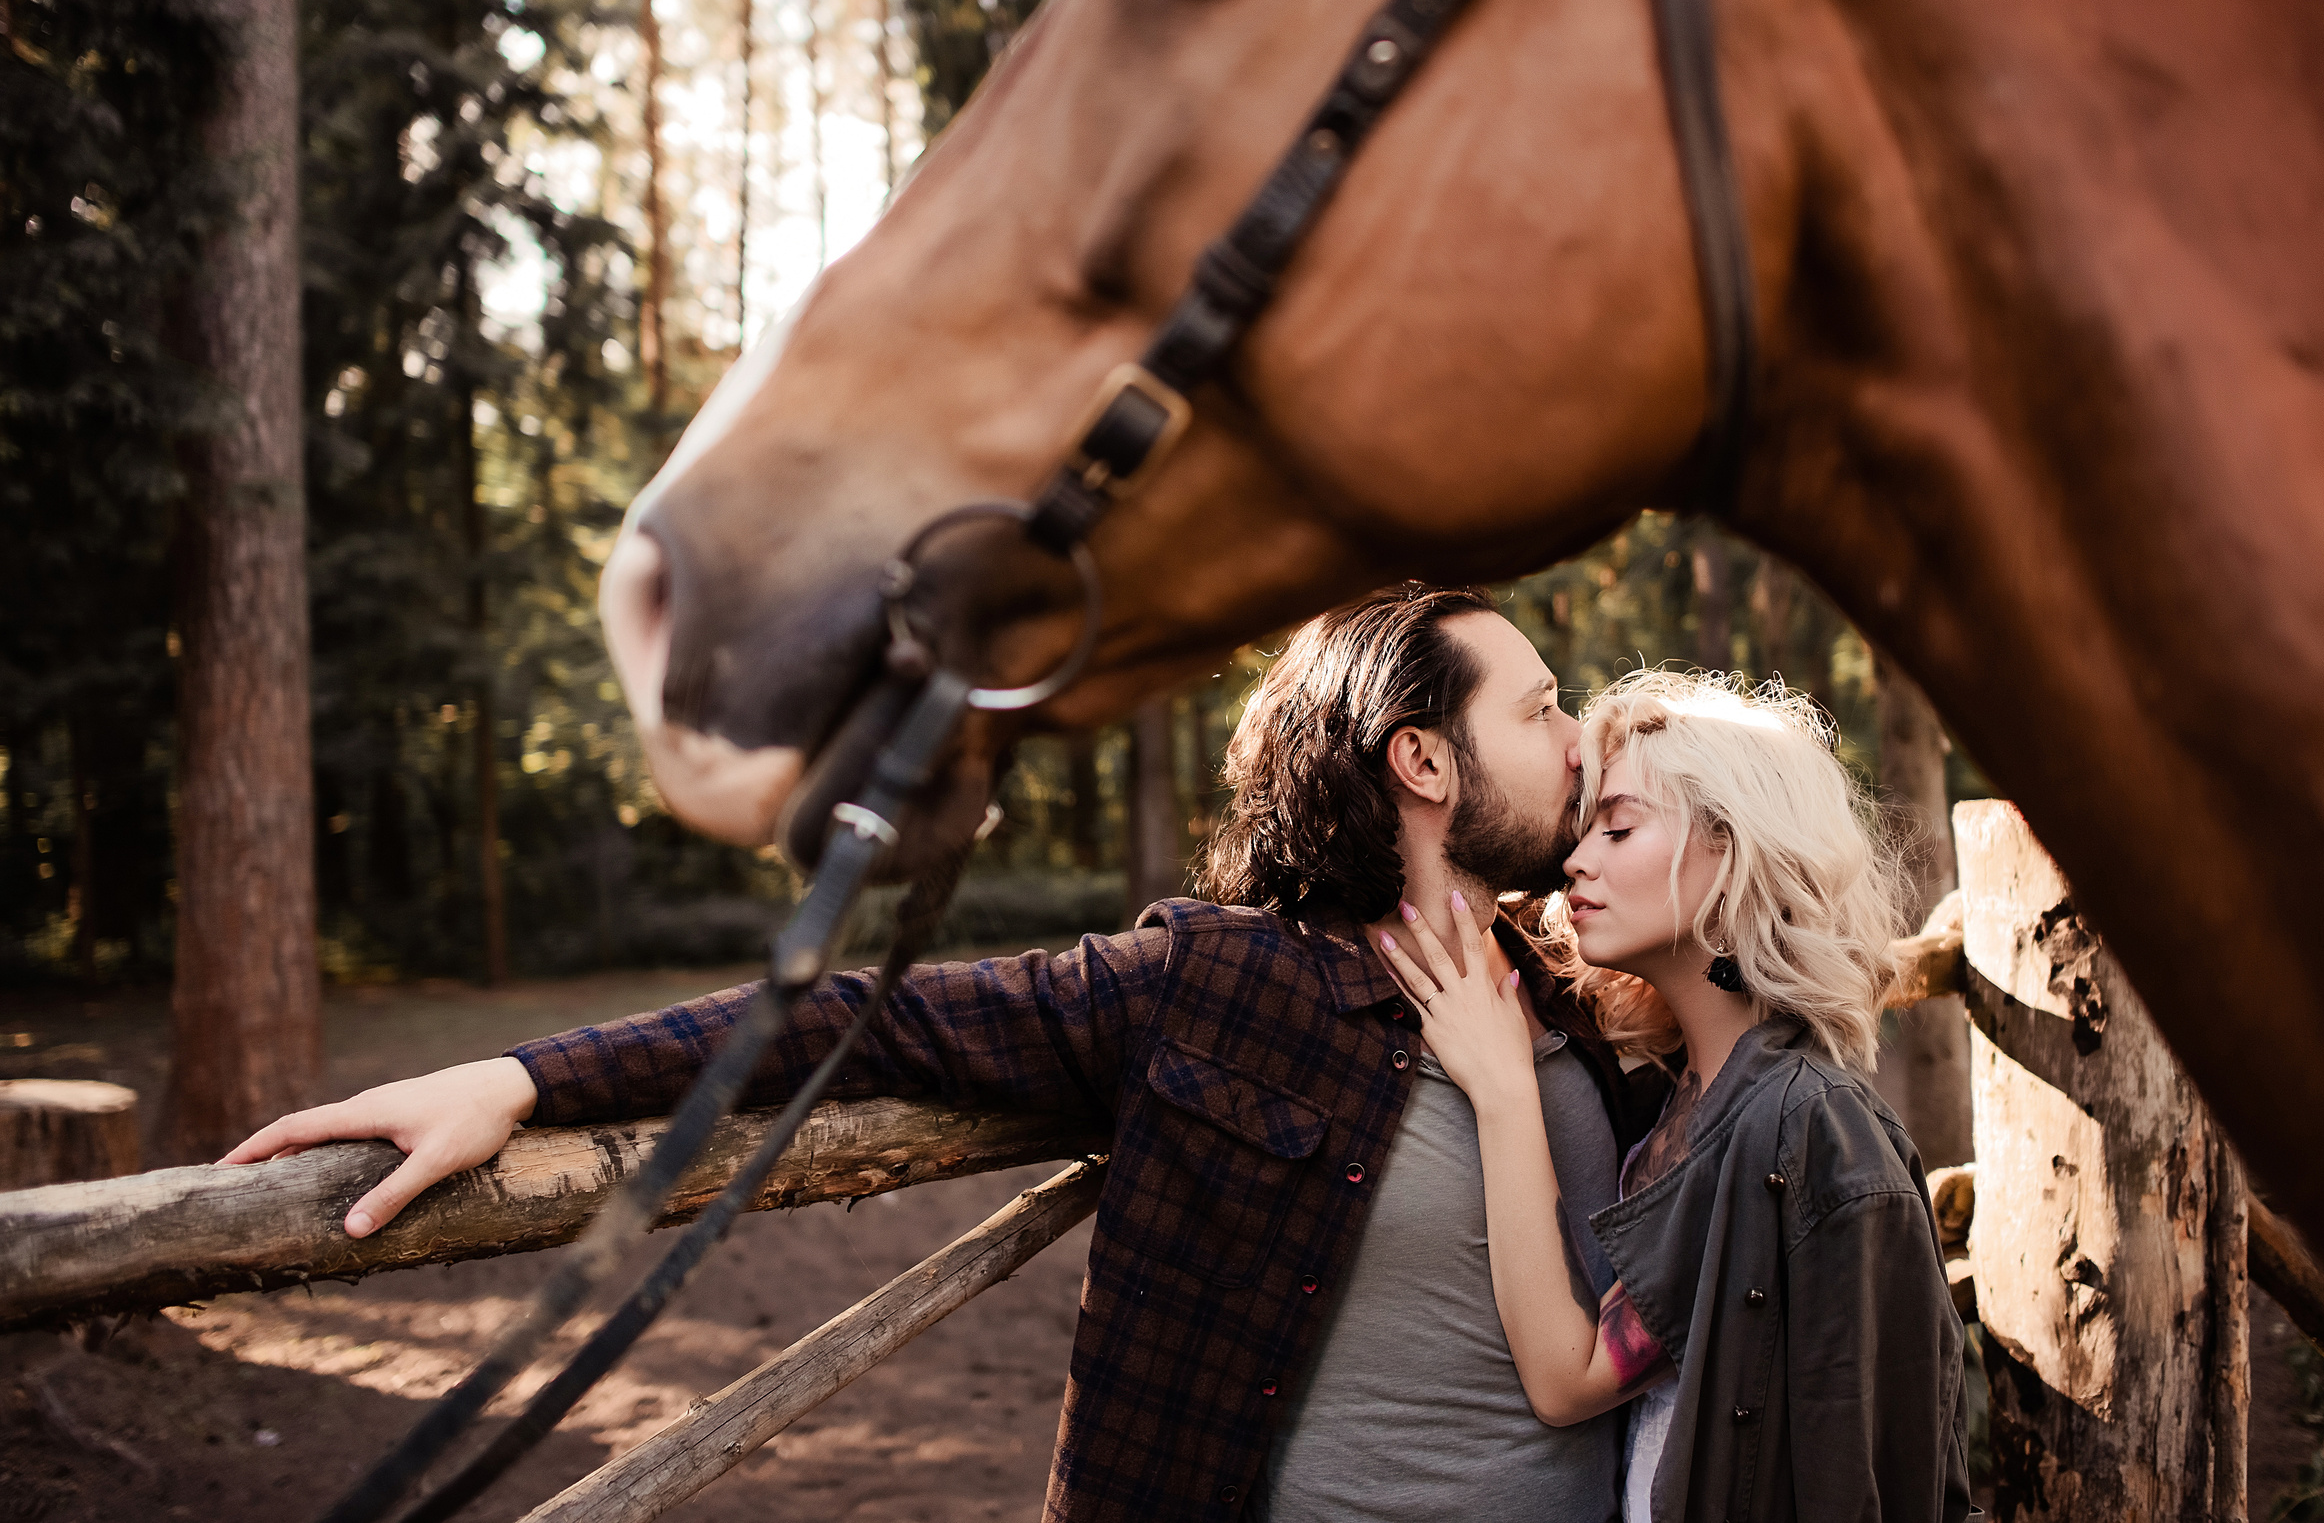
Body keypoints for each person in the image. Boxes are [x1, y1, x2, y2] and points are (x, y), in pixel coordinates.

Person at [224, 583, 1670, 1523]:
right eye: (1539, 708)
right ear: (1422, 762)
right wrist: (516, 1080)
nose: (1574, 737)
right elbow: (855, 1016)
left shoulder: (1583, 990)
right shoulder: (1214, 988)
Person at [1375, 668, 1970, 1523]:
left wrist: (1504, 1089)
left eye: (1618, 828)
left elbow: (1566, 1375)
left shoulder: (1807, 1124)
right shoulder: (1689, 1094)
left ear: (1733, 848)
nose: (1575, 859)